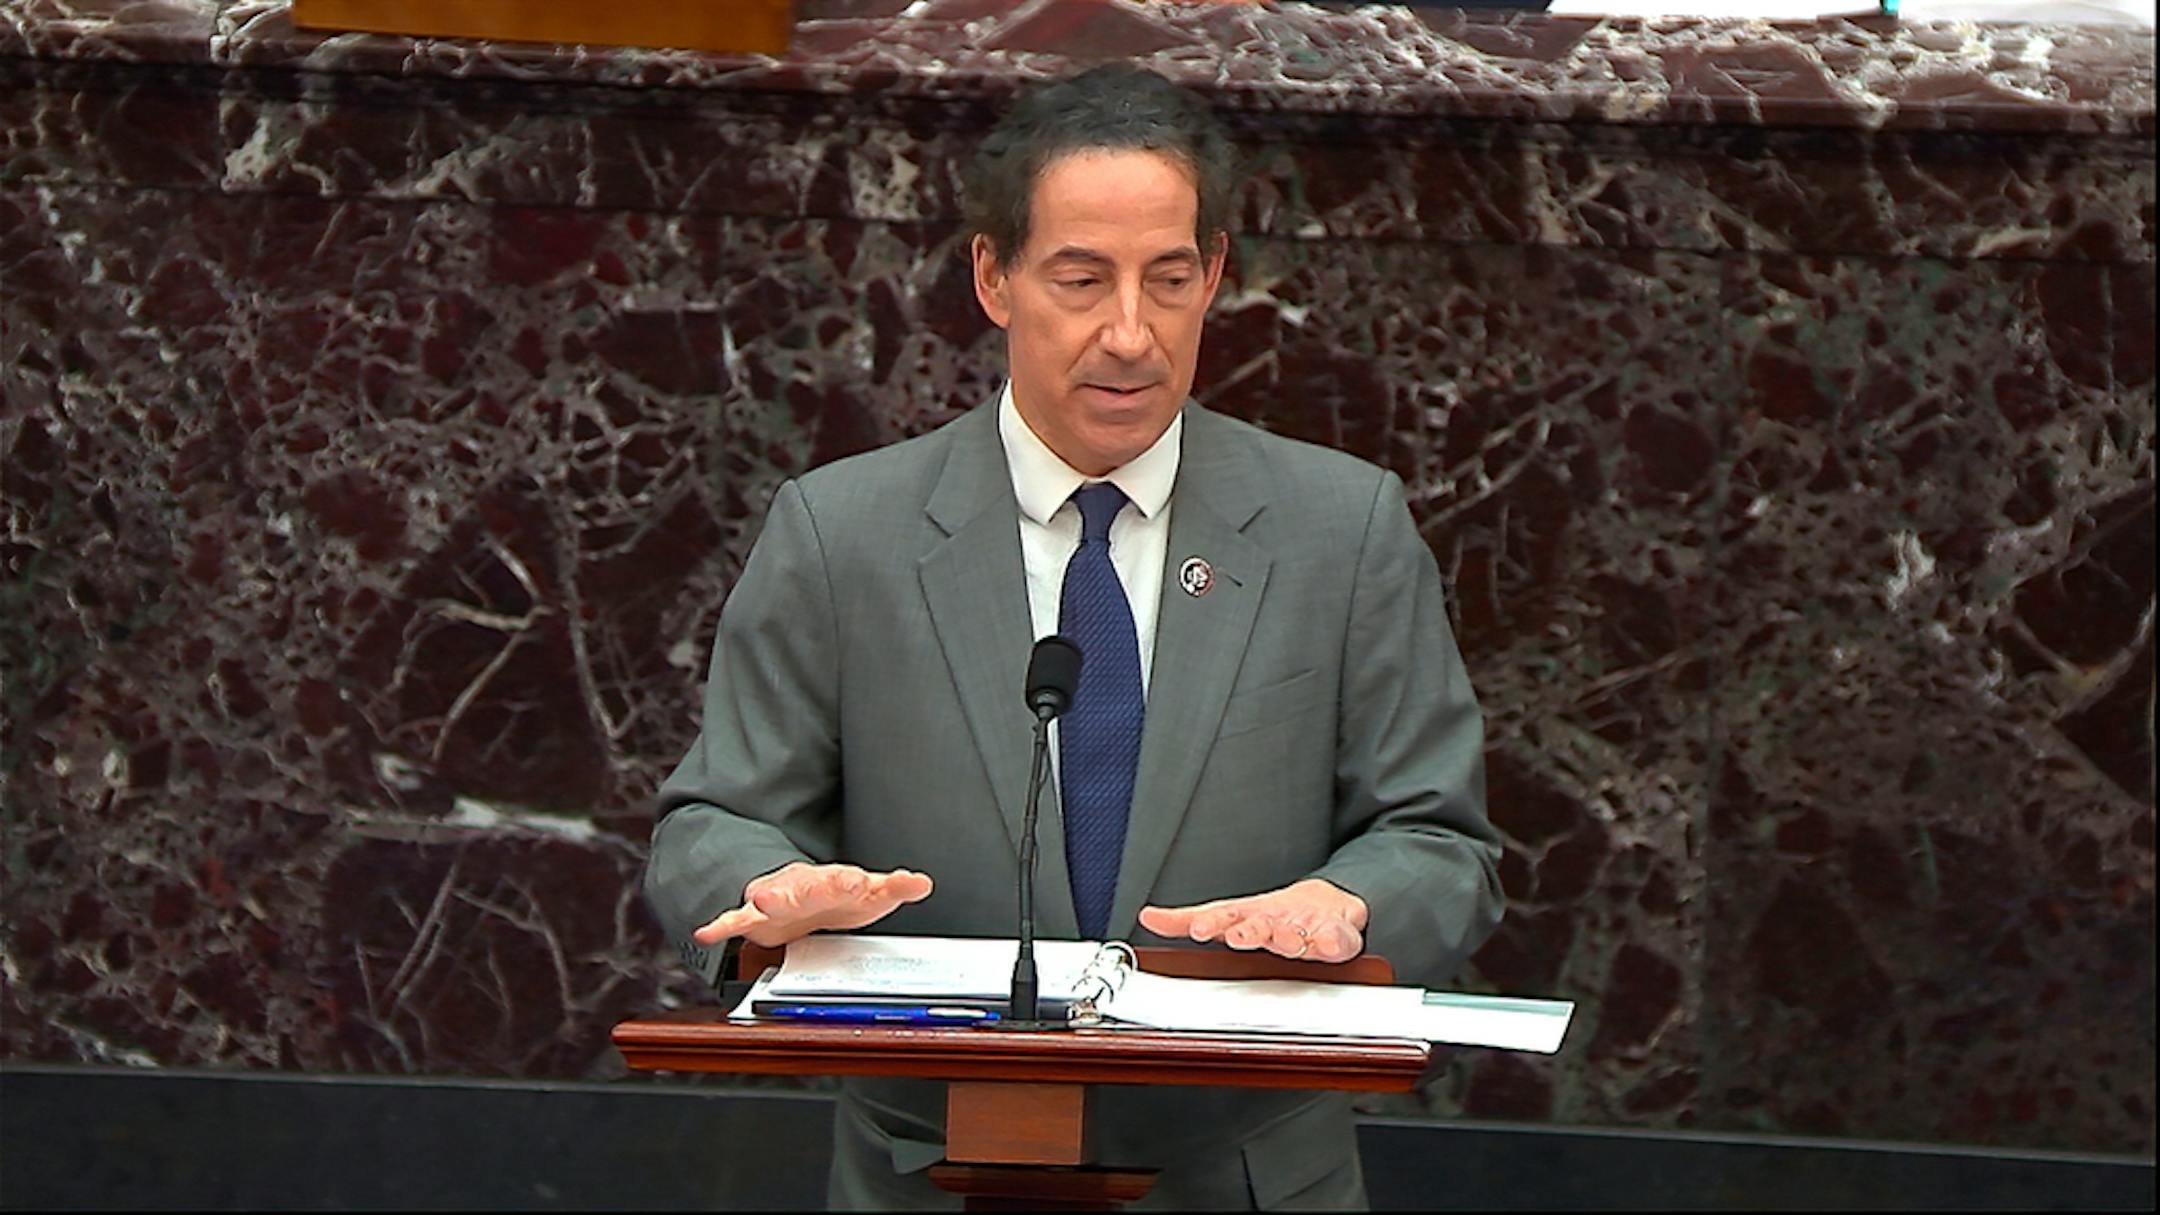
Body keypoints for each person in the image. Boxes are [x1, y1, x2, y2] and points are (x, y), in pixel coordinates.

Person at [643, 65, 1505, 1210]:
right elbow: (714, 818)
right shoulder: (842, 532)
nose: (1131, 334)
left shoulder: (1338, 529)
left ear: (1217, 279)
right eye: (1082, 279)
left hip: (1244, 1172)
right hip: (931, 1171)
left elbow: (1440, 841)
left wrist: (1348, 906)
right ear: (995, 277)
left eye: (1171, 278)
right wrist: (774, 887)